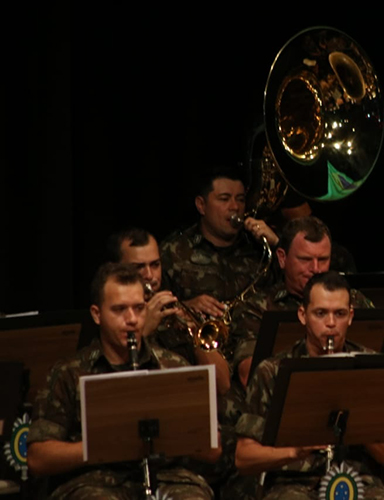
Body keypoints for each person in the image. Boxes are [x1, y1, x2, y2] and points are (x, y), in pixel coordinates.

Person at [26, 263, 219, 499]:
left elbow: (213, 450)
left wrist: (167, 437)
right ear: (97, 314)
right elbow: (38, 458)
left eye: (139, 308)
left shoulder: (173, 365)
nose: (132, 320)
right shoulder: (70, 373)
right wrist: (100, 446)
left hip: (167, 478)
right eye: (119, 310)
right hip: (95, 482)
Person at [231, 272, 384, 500]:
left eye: (339, 314)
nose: (331, 323)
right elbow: (243, 458)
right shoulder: (271, 371)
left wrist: (352, 414)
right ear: (303, 315)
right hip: (293, 484)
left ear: (351, 316)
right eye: (320, 313)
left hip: (358, 482)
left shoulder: (373, 368)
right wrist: (294, 452)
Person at [232, 216, 373, 388]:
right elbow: (249, 375)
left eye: (323, 260)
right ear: (282, 258)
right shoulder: (255, 308)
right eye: (305, 260)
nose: (315, 269)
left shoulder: (353, 299)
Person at [159, 166, 278, 364]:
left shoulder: (261, 250)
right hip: (197, 359)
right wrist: (186, 307)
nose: (235, 207)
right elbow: (152, 311)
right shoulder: (173, 252)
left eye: (240, 199)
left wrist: (277, 244)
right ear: (201, 205)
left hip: (254, 357)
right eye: (224, 199)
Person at [106, 227, 231, 394]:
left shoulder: (175, 311)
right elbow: (117, 386)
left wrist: (196, 335)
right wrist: (144, 330)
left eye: (155, 265)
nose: (150, 275)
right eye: (139, 267)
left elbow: (223, 384)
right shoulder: (113, 317)